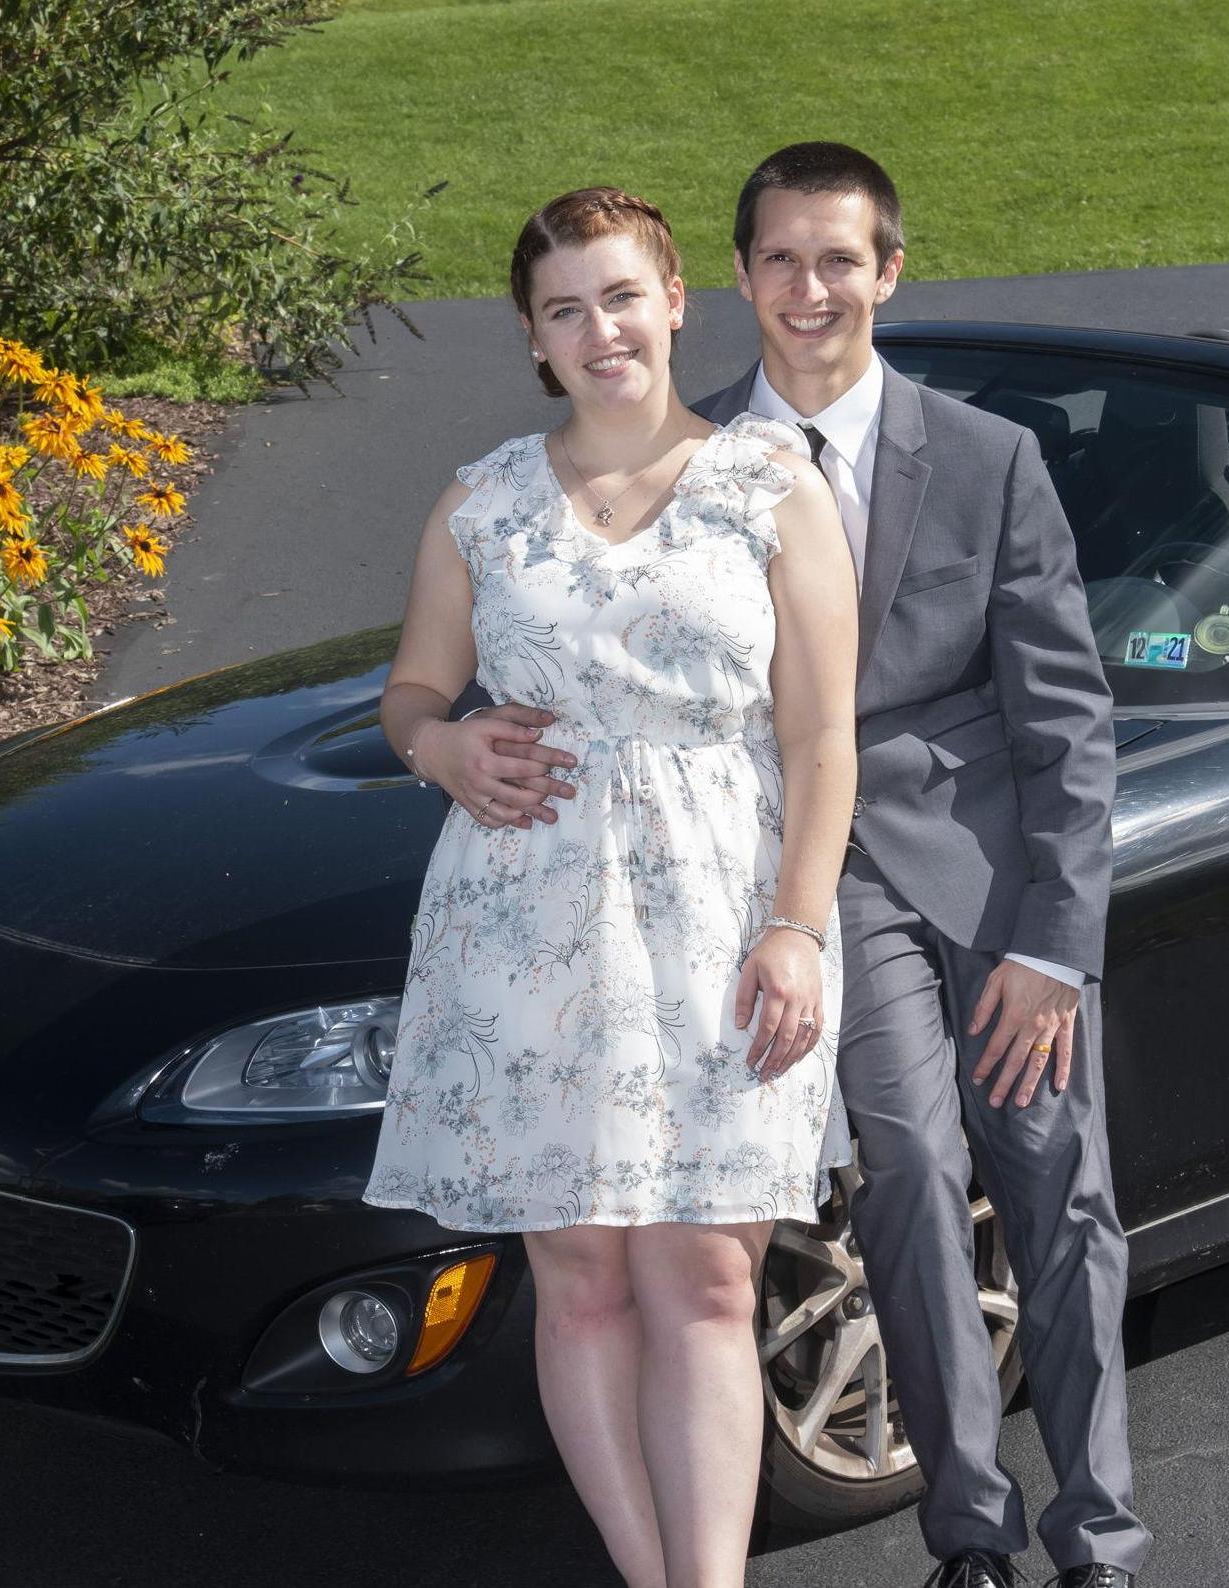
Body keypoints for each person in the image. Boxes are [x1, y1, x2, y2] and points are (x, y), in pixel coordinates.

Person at [361, 187, 858, 1588]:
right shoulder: (484, 499)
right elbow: (410, 689)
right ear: (533, 337)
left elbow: (824, 737)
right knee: (579, 1283)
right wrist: (442, 743)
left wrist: (799, 928)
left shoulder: (772, 487)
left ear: (677, 299)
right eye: (565, 309)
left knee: (705, 1275)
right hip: (522, 924)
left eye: (621, 296)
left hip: (719, 916)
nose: (601, 330)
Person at [693, 145, 1151, 1587]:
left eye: (840, 260)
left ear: (890, 271)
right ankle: (970, 1532)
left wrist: (1055, 944)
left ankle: (1102, 1536)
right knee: (904, 1174)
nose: (810, 288)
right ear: (744, 274)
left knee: (1056, 1190)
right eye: (781, 259)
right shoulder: (692, 462)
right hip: (834, 890)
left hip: (998, 879)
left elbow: (1068, 718)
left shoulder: (986, 456)